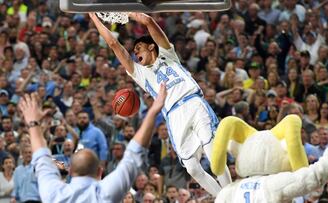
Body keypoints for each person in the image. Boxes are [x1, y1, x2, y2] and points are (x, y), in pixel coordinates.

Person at [90, 12, 231, 196]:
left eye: (139, 48)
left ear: (151, 47)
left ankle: (232, 196)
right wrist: (94, 18)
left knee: (214, 157)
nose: (136, 53)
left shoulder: (167, 53)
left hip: (193, 102)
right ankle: (223, 197)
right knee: (192, 169)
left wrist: (132, 13)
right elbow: (113, 44)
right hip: (173, 115)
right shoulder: (139, 73)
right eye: (134, 52)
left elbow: (148, 21)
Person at [17, 83, 167, 202]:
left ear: (70, 171)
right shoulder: (105, 194)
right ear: (99, 172)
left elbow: (41, 158)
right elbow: (133, 155)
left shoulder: (53, 193)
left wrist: (32, 123)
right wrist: (153, 111)